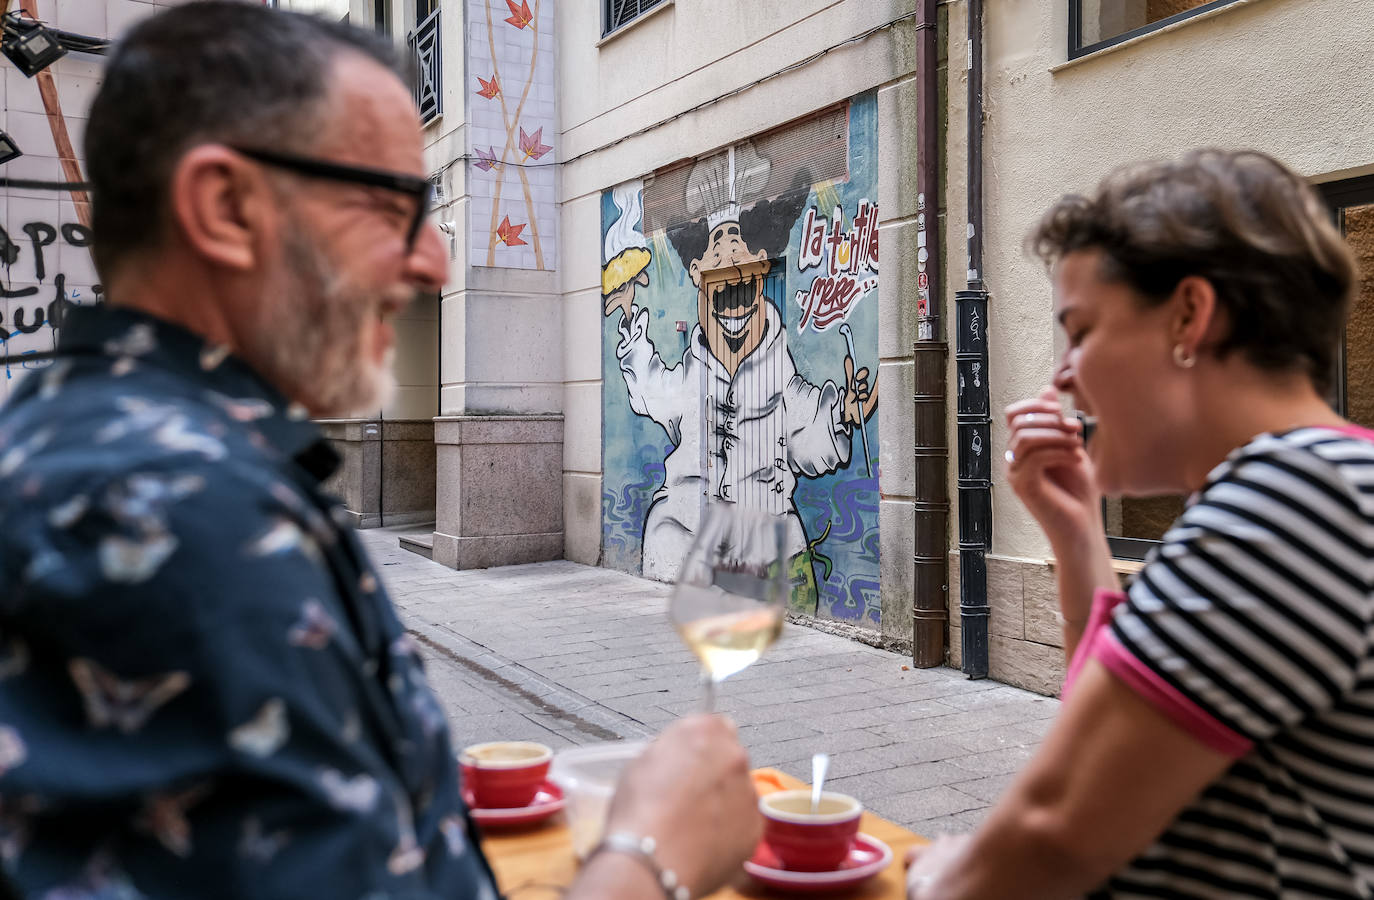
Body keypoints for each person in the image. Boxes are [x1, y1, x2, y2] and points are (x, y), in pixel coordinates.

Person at [0, 4, 760, 898]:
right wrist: (652, 856)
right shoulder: (181, 513)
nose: (434, 263)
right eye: (396, 204)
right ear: (225, 208)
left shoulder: (86, 436)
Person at [905, 149, 1374, 898]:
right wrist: (1079, 533)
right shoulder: (1318, 487)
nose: (1064, 374)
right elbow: (1110, 752)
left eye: (1083, 331)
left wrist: (935, 882)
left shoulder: (1289, 500)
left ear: (1190, 315)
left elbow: (1056, 830)